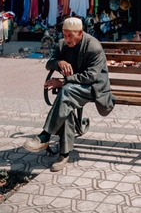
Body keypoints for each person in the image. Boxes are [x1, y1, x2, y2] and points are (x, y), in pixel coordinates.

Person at [23, 17, 115, 170]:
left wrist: (63, 82)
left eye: (70, 35)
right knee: (66, 99)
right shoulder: (63, 44)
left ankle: (45, 135)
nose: (67, 39)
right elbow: (49, 63)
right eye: (64, 35)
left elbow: (91, 77)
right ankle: (63, 153)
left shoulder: (93, 46)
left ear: (80, 32)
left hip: (94, 88)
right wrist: (59, 62)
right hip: (73, 89)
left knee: (65, 92)